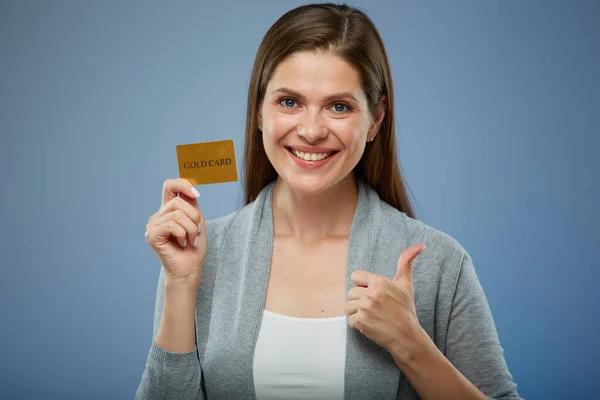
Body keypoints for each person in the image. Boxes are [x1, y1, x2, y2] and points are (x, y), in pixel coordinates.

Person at [136, 3, 521, 399]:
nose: (311, 130)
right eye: (289, 102)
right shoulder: (199, 254)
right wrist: (181, 285)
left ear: (375, 119)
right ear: (259, 112)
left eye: (339, 107)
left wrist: (411, 345)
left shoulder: (440, 263)